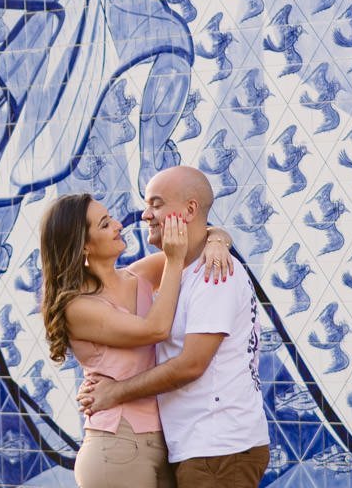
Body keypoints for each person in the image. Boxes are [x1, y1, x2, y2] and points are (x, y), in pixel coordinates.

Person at [78, 165, 269, 487]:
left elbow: (191, 364)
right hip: (195, 446)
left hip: (219, 448)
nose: (144, 215)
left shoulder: (215, 273)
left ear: (189, 209)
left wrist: (115, 392)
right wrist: (216, 235)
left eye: (156, 203)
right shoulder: (175, 269)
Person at [40, 191, 234, 487]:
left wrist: (218, 239)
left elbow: (197, 239)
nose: (118, 225)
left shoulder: (139, 276)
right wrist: (172, 259)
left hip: (165, 441)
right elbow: (155, 330)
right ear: (83, 247)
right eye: (104, 224)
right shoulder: (77, 307)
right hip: (116, 445)